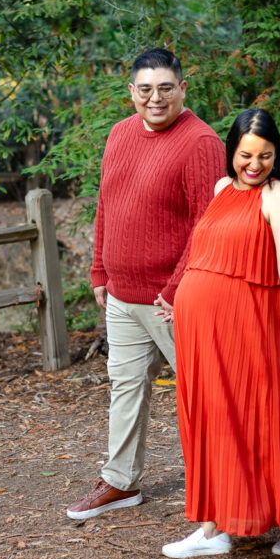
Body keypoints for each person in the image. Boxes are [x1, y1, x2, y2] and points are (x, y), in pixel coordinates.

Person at [66, 48, 224, 520]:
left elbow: (207, 225)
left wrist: (176, 290)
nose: (155, 98)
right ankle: (120, 482)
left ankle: (222, 491)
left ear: (182, 88)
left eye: (165, 88)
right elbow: (107, 206)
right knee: (126, 388)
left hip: (173, 301)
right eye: (145, 89)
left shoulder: (201, 143)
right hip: (122, 295)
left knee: (203, 396)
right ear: (131, 91)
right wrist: (100, 269)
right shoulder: (119, 134)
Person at [161, 108, 280, 559]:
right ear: (231, 151)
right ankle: (215, 524)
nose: (254, 165)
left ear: (277, 155)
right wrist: (180, 298)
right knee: (212, 419)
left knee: (267, 414)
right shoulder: (220, 189)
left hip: (251, 325)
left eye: (266, 156)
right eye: (245, 155)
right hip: (202, 331)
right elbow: (207, 253)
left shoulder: (279, 198)